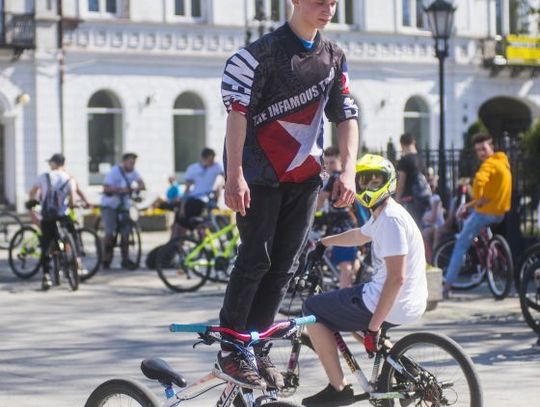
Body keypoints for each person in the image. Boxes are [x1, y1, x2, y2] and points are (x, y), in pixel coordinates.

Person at [216, 0, 359, 390]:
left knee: (284, 266)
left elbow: (346, 115)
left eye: (334, 2)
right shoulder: (257, 56)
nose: (328, 8)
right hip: (259, 176)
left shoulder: (334, 57)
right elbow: (237, 114)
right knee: (255, 259)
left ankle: (257, 346)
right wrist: (234, 174)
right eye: (319, 1)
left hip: (305, 178)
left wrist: (348, 170)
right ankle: (232, 349)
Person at [301, 154, 427, 406]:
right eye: (363, 181)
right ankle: (402, 368)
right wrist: (324, 243)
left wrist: (373, 328)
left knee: (313, 308)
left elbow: (396, 278)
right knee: (347, 314)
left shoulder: (390, 220)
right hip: (408, 301)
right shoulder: (384, 213)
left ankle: (338, 387)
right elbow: (360, 235)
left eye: (375, 181)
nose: (368, 186)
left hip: (392, 299)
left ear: (388, 181)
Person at [443, 133, 512, 297]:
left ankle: (447, 286)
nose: (481, 153)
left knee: (460, 244)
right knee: (474, 212)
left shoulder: (488, 165)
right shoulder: (503, 162)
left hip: (486, 213)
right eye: (478, 150)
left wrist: (476, 197)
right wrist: (475, 203)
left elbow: (480, 182)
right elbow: (491, 193)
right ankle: (491, 247)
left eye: (483, 148)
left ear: (491, 147)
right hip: (500, 212)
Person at [27, 154, 77, 290]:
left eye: (50, 163)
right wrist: (71, 205)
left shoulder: (44, 176)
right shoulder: (69, 178)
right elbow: (72, 200)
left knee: (47, 244)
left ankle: (46, 275)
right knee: (72, 236)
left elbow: (32, 192)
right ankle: (74, 260)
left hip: (48, 215)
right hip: (63, 214)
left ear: (54, 163)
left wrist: (31, 203)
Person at [317, 146, 359, 288]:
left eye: (332, 162)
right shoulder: (347, 178)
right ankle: (352, 282)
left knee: (344, 264)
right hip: (350, 223)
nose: (329, 166)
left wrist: (311, 214)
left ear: (341, 161)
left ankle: (344, 295)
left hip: (341, 226)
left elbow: (321, 198)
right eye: (326, 163)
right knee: (350, 260)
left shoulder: (336, 178)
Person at [100, 152, 146, 270]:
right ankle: (106, 258)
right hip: (110, 205)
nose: (132, 165)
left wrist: (136, 188)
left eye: (134, 163)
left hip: (124, 205)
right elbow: (106, 187)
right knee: (110, 232)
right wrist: (120, 190)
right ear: (124, 162)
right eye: (130, 163)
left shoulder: (133, 172)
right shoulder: (114, 172)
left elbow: (142, 184)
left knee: (126, 232)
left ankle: (125, 259)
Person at [174, 148, 224, 235]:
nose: (212, 162)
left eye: (213, 160)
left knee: (197, 221)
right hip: (194, 198)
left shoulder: (216, 167)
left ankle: (198, 238)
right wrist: (182, 206)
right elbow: (187, 189)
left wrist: (218, 189)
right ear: (203, 158)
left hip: (205, 199)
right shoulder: (193, 168)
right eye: (210, 160)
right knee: (180, 219)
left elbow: (223, 178)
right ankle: (178, 240)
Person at [395, 133, 431, 226]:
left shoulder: (404, 160)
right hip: (422, 199)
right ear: (413, 142)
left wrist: (397, 201)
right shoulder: (422, 158)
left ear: (402, 145)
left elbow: (401, 183)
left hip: (409, 201)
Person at [421, 170, 445, 263]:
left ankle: (431, 260)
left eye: (431, 184)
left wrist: (422, 218)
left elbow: (433, 218)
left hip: (436, 225)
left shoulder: (436, 198)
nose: (429, 186)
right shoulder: (425, 198)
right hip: (429, 226)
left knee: (425, 233)